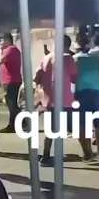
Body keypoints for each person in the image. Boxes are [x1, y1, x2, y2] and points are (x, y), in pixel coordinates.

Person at [38, 35, 79, 165]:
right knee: (62, 129)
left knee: (50, 129)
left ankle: (45, 156)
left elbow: (37, 76)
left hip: (49, 98)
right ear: (68, 45)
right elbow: (74, 78)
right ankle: (56, 156)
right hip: (64, 99)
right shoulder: (67, 58)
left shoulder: (46, 58)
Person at [73, 35, 99, 155]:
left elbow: (72, 77)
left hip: (81, 91)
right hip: (97, 90)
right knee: (98, 122)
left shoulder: (75, 59)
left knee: (83, 122)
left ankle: (88, 150)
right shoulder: (96, 59)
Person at [0, 32, 22, 133]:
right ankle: (18, 123)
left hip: (11, 81)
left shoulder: (10, 49)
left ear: (7, 40)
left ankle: (15, 124)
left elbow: (1, 60)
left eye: (2, 40)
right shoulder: (11, 50)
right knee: (11, 103)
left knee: (12, 104)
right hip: (9, 80)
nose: (0, 43)